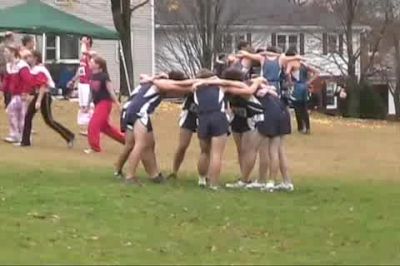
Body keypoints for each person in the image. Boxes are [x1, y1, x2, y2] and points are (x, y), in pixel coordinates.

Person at [191, 69, 266, 190]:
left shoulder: (195, 90)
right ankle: (214, 184)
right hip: (218, 117)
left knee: (204, 152)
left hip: (202, 118)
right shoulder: (221, 87)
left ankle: (201, 179)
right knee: (216, 154)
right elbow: (239, 85)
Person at [115, 71, 195, 185]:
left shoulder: (155, 82)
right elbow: (181, 88)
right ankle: (130, 176)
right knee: (140, 144)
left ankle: (154, 175)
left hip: (134, 111)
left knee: (149, 143)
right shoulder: (162, 84)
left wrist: (152, 78)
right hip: (139, 112)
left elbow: (143, 76)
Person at [19, 51, 75, 147]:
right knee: (28, 116)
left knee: (49, 120)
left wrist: (38, 101)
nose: (27, 59)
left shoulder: (40, 69)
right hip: (39, 94)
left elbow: (43, 86)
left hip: (45, 95)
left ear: (35, 58)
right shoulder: (33, 69)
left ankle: (69, 136)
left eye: (29, 57)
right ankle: (25, 141)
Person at [84, 56, 124, 153]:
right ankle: (128, 141)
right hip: (97, 104)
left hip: (105, 103)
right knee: (105, 128)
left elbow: (111, 92)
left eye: (92, 62)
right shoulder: (92, 76)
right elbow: (91, 92)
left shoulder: (104, 76)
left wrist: (118, 104)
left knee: (93, 125)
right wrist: (87, 105)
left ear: (98, 65)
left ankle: (95, 148)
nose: (89, 63)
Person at [2, 45, 33, 143]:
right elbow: (7, 80)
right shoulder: (9, 65)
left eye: (6, 52)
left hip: (22, 95)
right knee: (14, 112)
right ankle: (15, 134)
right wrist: (2, 90)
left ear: (12, 52)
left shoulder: (21, 65)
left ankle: (23, 136)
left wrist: (26, 92)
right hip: (15, 94)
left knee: (21, 115)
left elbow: (27, 80)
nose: (4, 54)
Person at [286, 48, 319, 134]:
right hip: (305, 86)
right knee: (304, 107)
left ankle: (300, 127)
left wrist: (290, 82)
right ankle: (307, 127)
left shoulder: (291, 63)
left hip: (297, 87)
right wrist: (308, 82)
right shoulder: (303, 64)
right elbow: (316, 72)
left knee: (297, 107)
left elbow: (287, 73)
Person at [67, 36, 95, 136]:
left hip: (89, 83)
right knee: (83, 106)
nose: (82, 42)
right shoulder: (83, 57)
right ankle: (88, 128)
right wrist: (73, 80)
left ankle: (93, 128)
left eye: (84, 40)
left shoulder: (91, 54)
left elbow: (86, 52)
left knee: (90, 106)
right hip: (82, 83)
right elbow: (80, 70)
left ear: (89, 41)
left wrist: (84, 45)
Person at [167, 90, 198, 180]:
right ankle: (174, 171)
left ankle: (204, 176)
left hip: (206, 113)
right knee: (183, 145)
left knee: (206, 147)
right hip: (190, 113)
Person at [0, 32, 16, 108]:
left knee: (6, 86)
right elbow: (6, 59)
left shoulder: (2, 46)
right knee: (8, 86)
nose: (13, 38)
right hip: (6, 68)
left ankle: (8, 102)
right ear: (9, 37)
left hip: (4, 68)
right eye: (12, 37)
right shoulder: (7, 47)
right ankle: (8, 103)